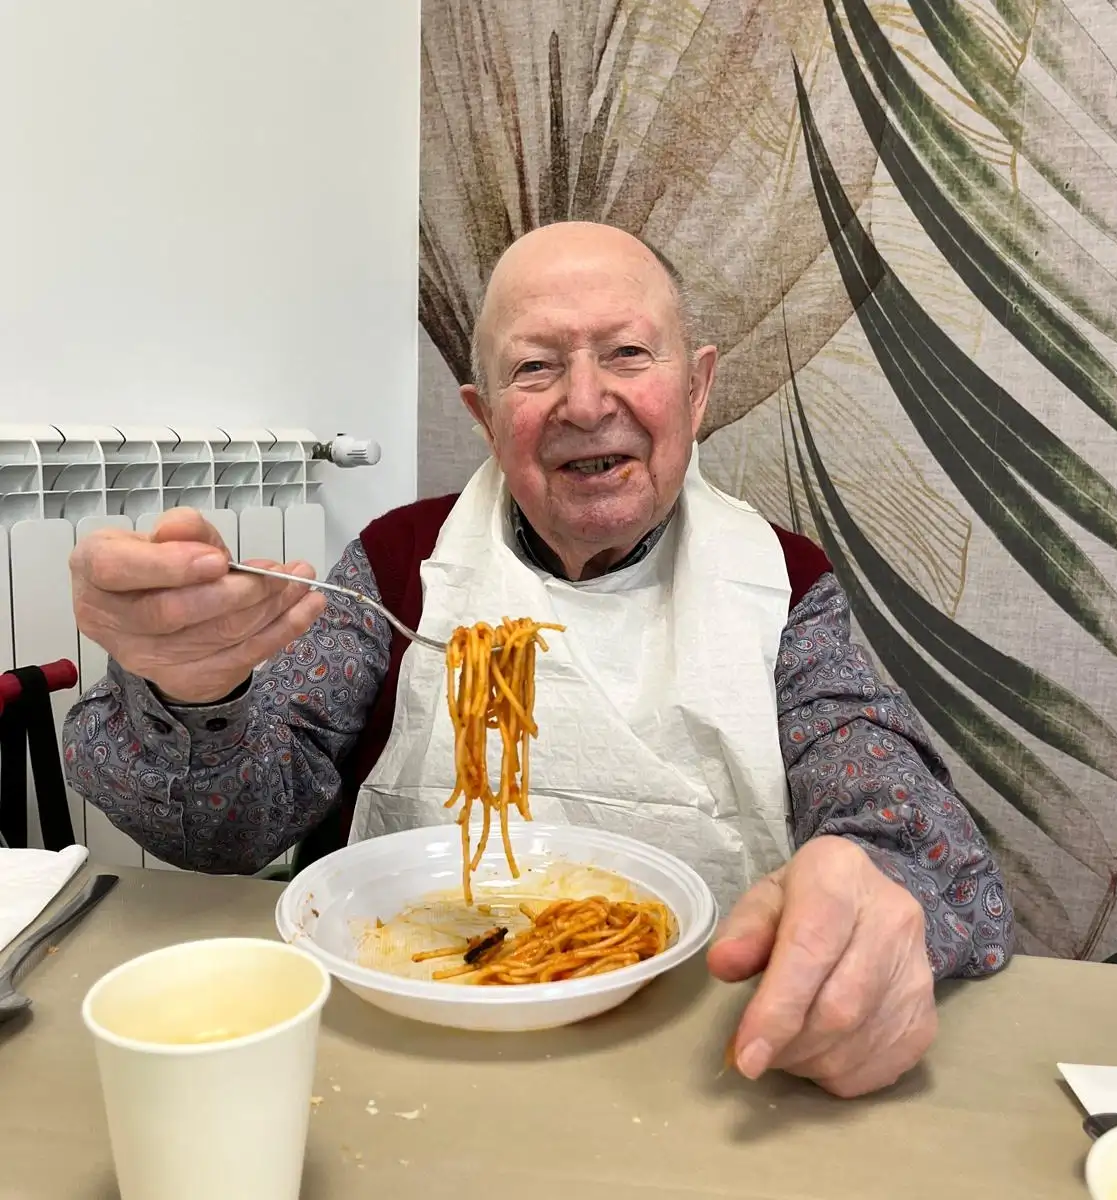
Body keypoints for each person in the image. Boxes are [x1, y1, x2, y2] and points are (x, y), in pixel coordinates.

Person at [64, 220, 1013, 1098]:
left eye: (628, 353)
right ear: (484, 415)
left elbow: (908, 826)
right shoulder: (400, 564)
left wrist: (877, 889)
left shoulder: (782, 583)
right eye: (535, 367)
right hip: (413, 1032)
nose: (586, 402)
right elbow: (228, 830)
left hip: (699, 1056)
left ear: (697, 388)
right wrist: (195, 689)